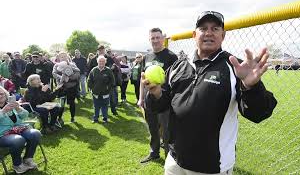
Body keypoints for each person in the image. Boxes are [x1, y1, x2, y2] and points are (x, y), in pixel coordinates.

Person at [142, 11, 278, 174]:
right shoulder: (179, 66)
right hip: (175, 160)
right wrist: (156, 93)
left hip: (212, 166)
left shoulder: (235, 68)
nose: (208, 33)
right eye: (203, 28)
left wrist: (252, 88)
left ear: (223, 35)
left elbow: (258, 113)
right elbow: (160, 105)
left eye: (215, 29)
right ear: (194, 35)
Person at [139, 28, 178, 163]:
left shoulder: (171, 56)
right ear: (149, 40)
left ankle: (169, 158)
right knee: (153, 128)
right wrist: (140, 98)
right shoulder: (146, 57)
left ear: (163, 39)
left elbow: (175, 81)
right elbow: (142, 79)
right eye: (152, 38)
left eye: (157, 37)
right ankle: (154, 152)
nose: (155, 40)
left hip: (164, 101)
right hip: (149, 101)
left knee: (167, 132)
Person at [0, 86, 41, 174]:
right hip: (3, 134)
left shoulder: (10, 103)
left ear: (5, 94)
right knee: (18, 140)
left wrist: (18, 109)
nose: (0, 96)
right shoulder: (5, 108)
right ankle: (17, 164)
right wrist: (3, 111)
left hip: (18, 129)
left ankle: (28, 159)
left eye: (1, 94)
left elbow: (25, 115)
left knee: (35, 133)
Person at [52, 52, 80, 123]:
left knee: (72, 103)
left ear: (67, 57)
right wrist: (61, 78)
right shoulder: (56, 65)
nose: (63, 58)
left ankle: (72, 117)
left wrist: (70, 78)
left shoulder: (72, 64)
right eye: (61, 57)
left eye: (64, 56)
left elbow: (78, 73)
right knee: (61, 104)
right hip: (61, 87)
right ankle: (59, 118)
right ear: (59, 58)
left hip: (71, 87)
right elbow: (54, 73)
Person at [87, 56, 114, 123]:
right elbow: (89, 80)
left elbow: (112, 81)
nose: (101, 62)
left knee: (105, 106)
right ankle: (95, 119)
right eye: (100, 61)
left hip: (105, 93)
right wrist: (92, 88)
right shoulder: (94, 70)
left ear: (105, 62)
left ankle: (105, 119)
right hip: (95, 93)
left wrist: (108, 88)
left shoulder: (108, 70)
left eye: (103, 61)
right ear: (97, 62)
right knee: (96, 106)